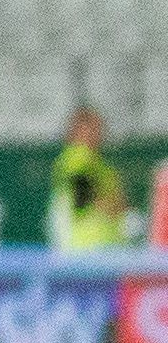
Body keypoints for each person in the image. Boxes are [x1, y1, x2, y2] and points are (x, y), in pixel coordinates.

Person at [48, 106, 130, 250]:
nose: (96, 133)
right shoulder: (76, 158)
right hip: (84, 250)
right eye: (89, 128)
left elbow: (121, 203)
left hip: (108, 247)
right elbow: (82, 198)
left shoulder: (101, 164)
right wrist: (112, 205)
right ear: (75, 131)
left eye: (98, 127)